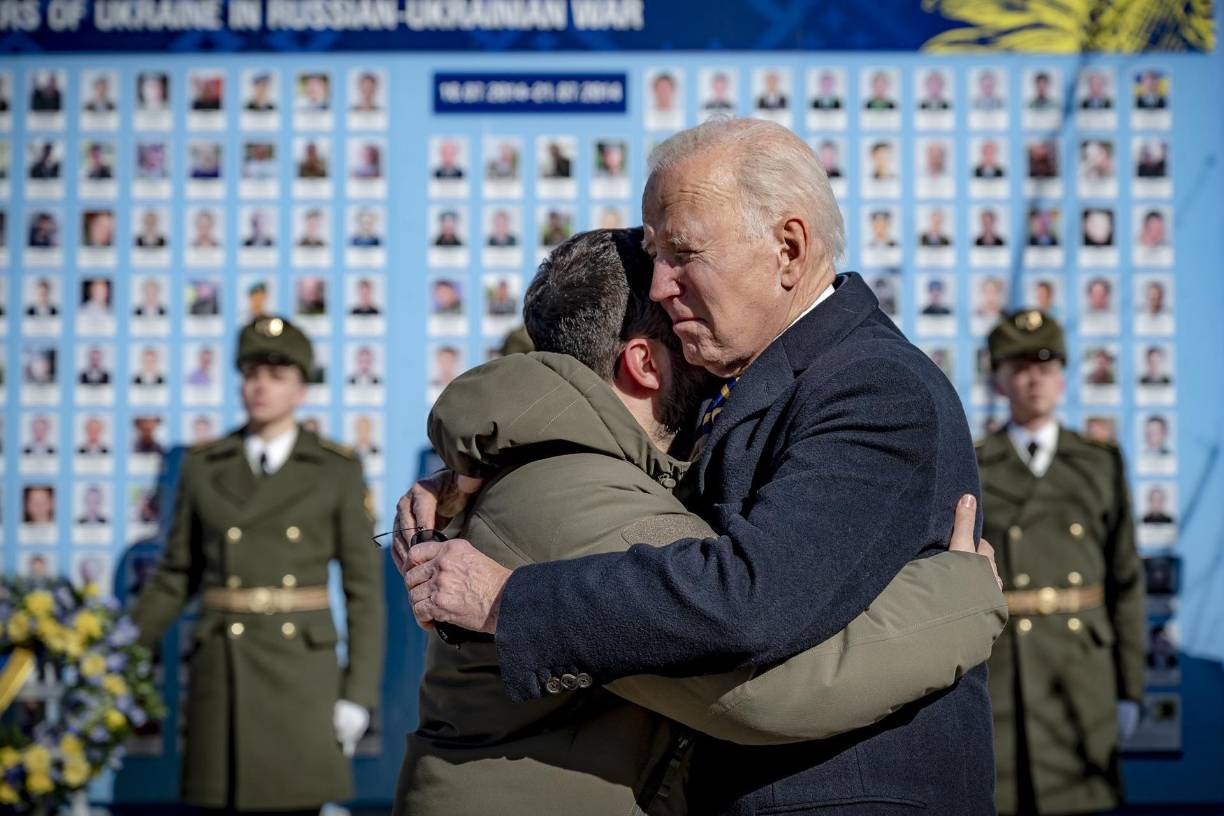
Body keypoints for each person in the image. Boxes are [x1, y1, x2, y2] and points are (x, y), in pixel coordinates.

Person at [399, 119, 998, 814]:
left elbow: (751, 601)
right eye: (654, 255)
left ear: (789, 248)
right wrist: (476, 476)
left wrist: (510, 599)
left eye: (683, 253)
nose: (658, 286)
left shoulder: (869, 387)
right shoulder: (754, 376)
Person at [129, 316, 384, 814]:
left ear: (300, 388)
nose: (260, 386)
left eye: (277, 374)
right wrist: (117, 653)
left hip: (302, 676)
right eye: (251, 373)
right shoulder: (205, 467)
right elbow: (176, 575)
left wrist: (357, 693)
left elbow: (364, 591)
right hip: (223, 668)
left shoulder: (335, 468)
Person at [977, 310, 1145, 815]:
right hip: (1006, 672)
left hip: (1080, 672)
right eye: (1021, 367)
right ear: (1000, 379)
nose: (1035, 380)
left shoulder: (1099, 462)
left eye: (1047, 367)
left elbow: (1126, 581)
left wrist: (1129, 689)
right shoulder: (976, 462)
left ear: (1064, 376)